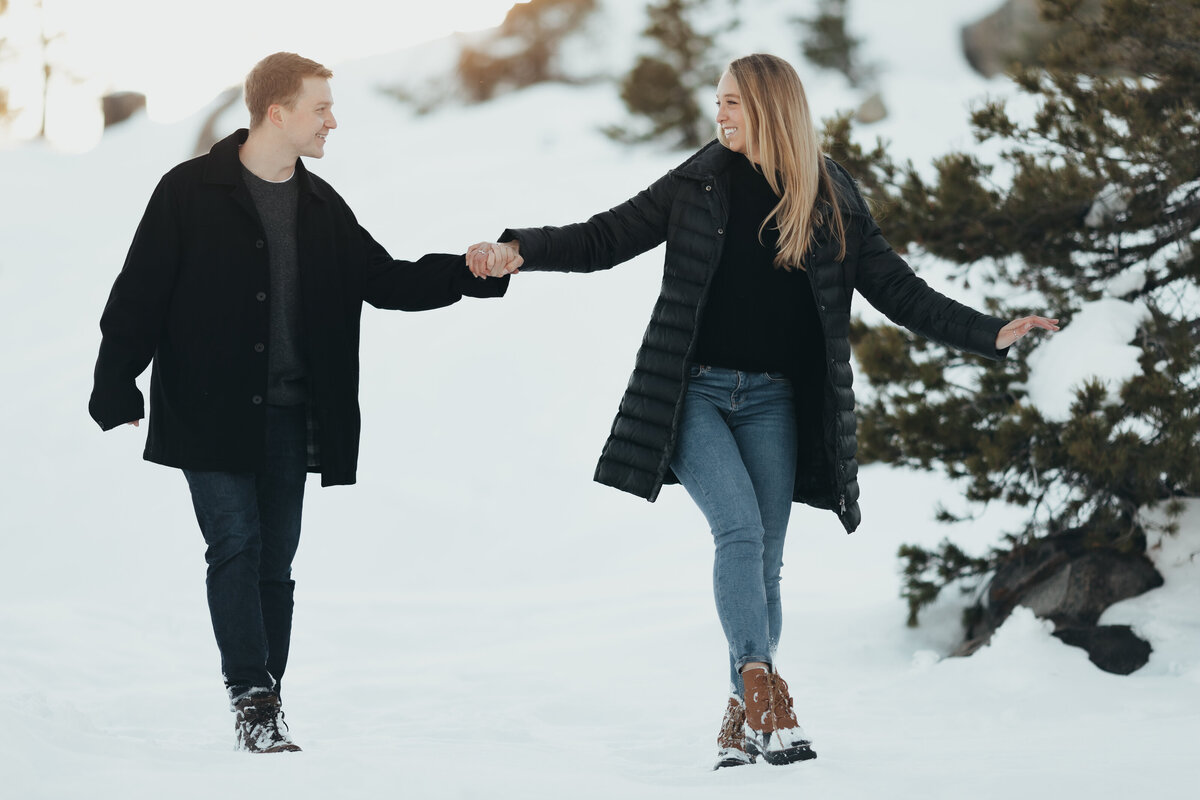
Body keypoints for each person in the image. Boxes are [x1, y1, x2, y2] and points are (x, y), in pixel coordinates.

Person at [465, 53, 1057, 769]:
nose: (720, 115)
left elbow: (900, 292)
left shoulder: (829, 194)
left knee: (766, 561)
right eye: (719, 101)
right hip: (692, 395)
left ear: (773, 109)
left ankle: (741, 723)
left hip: (775, 401)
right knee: (739, 530)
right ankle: (763, 690)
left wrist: (990, 332)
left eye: (735, 104)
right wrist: (518, 251)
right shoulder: (697, 180)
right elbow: (603, 238)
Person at [88, 52, 511, 754]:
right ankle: (251, 698)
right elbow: (138, 295)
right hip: (206, 410)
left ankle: (268, 697)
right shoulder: (188, 192)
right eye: (321, 109)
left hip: (289, 414)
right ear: (277, 112)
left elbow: (387, 279)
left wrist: (469, 273)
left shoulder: (321, 206)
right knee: (235, 543)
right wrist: (115, 383)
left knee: (274, 564)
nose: (332, 122)